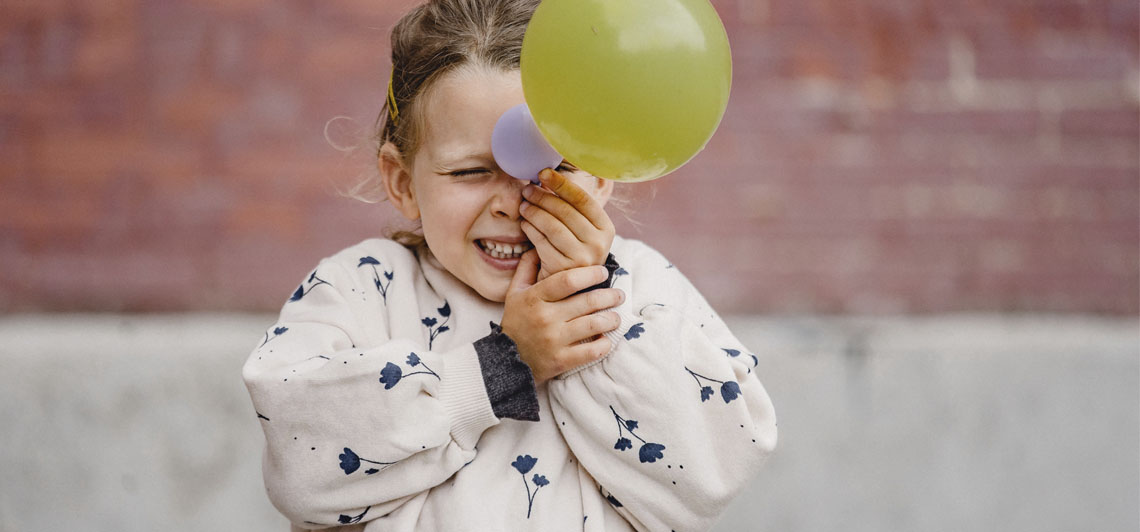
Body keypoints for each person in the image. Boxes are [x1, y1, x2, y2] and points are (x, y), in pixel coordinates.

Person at [242, 0, 777, 530]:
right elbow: (301, 463)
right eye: (472, 172)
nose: (511, 201)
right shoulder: (359, 288)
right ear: (402, 182)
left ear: (602, 173)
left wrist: (591, 311)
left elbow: (710, 477)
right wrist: (502, 367)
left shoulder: (642, 288)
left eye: (554, 168)